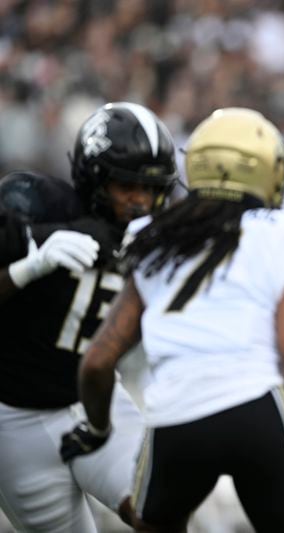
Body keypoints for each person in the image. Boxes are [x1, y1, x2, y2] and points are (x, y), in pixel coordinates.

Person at [60, 107, 284, 532]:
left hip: (174, 417)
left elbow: (98, 360)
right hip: (255, 409)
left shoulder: (150, 235)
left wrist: (95, 427)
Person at [0, 101, 178, 531]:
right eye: (127, 187)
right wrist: (30, 266)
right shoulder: (39, 205)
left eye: (151, 189)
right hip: (17, 417)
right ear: (95, 178)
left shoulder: (151, 235)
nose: (141, 201)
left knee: (160, 513)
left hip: (97, 400)